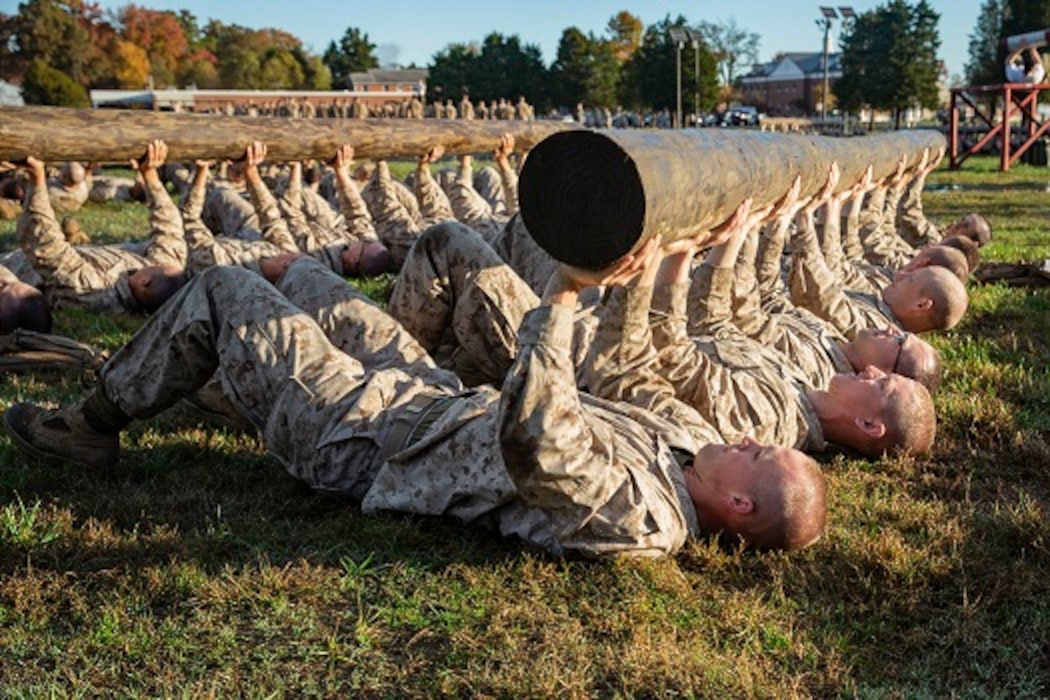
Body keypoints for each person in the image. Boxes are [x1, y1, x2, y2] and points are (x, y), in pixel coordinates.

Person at [3, 250, 827, 556]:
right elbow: (626, 372)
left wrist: (561, 309)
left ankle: (89, 425)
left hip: (362, 437)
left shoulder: (645, 516)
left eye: (756, 455)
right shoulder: (685, 453)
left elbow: (540, 442)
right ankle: (225, 377)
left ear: (740, 503)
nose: (748, 438)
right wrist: (653, 267)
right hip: (426, 394)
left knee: (224, 291)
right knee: (315, 282)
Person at [15, 142, 188, 313]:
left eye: (156, 266)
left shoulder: (92, 288)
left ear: (144, 282)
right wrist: (150, 174)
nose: (156, 263)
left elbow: (46, 246)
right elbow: (169, 227)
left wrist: (37, 179)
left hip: (17, 268)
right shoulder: (164, 273)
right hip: (82, 251)